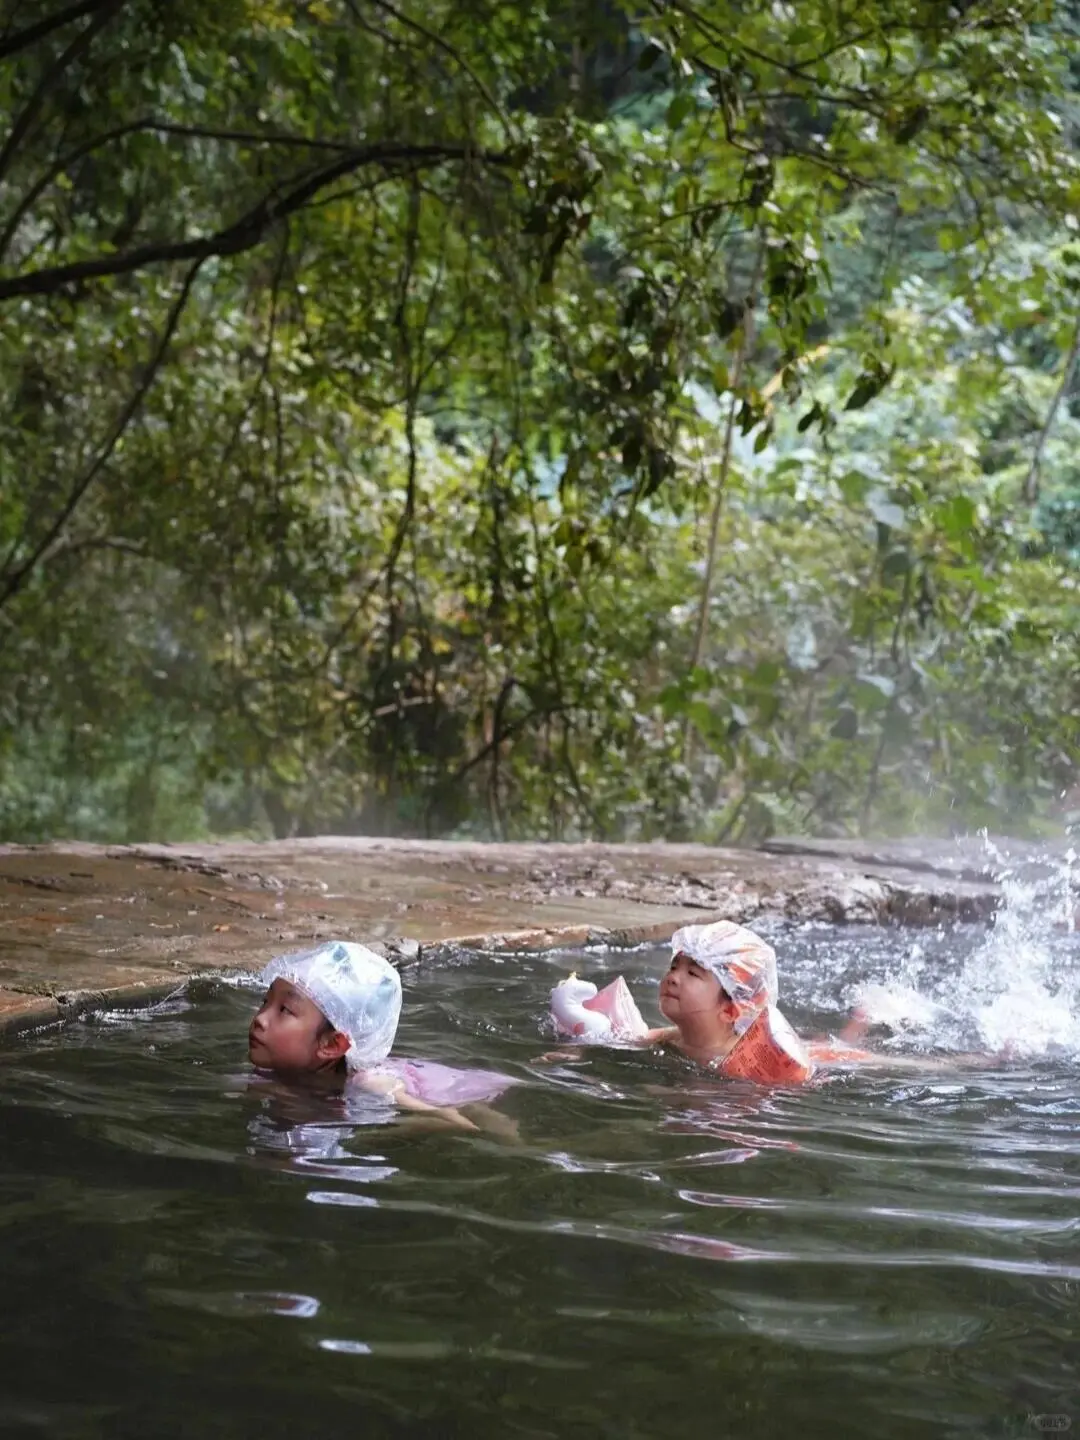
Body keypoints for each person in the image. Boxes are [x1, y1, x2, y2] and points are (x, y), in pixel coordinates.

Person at [248, 940, 518, 1134]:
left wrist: (393, 1132)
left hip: (456, 1093)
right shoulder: (276, 1071)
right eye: (264, 1002)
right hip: (413, 1077)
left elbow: (451, 1120)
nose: (260, 1018)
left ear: (332, 1044)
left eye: (284, 1010)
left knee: (493, 1123)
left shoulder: (373, 1086)